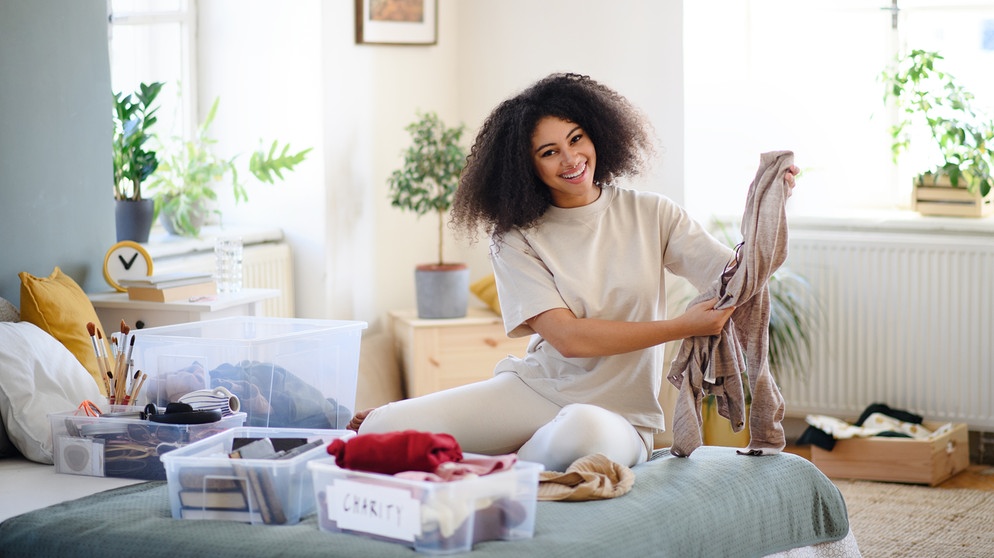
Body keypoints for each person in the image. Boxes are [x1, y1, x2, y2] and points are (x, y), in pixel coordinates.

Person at [351, 72, 798, 472]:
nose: (571, 158)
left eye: (577, 138)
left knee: (580, 432)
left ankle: (500, 465)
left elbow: (736, 279)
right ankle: (507, 454)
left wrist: (771, 207)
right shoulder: (515, 238)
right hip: (537, 391)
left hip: (620, 417)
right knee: (383, 425)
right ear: (527, 168)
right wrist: (681, 326)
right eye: (549, 152)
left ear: (598, 134)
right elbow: (568, 338)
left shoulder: (652, 213)